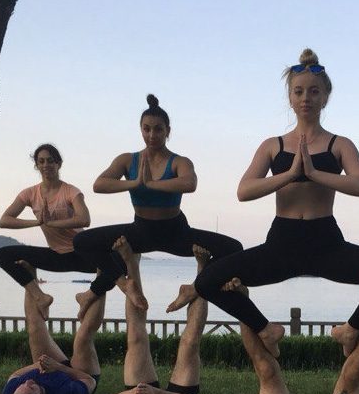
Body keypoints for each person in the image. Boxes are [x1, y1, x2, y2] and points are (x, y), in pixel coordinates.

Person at [186, 48, 359, 358]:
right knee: (207, 280)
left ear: (325, 97)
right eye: (299, 91)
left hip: (326, 243)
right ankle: (266, 329)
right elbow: (244, 191)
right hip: (281, 244)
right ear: (290, 98)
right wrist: (290, 174)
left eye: (314, 91)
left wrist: (315, 173)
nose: (306, 98)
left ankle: (352, 329)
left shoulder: (338, 144)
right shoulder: (273, 145)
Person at [73, 94, 242, 320]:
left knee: (234, 248)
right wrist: (134, 183)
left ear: (168, 131)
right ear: (140, 129)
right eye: (146, 129)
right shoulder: (127, 160)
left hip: (175, 232)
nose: (152, 135)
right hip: (140, 231)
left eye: (158, 129)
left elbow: (189, 183)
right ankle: (120, 285)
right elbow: (99, 185)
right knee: (82, 242)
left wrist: (152, 183)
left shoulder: (179, 161)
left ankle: (193, 288)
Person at [93, 237, 204, 394]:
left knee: (136, 336)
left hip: (139, 388)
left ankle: (132, 261)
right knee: (189, 344)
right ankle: (203, 272)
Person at [0, 143, 95, 319]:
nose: (45, 165)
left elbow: (84, 219)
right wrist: (37, 222)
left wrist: (52, 223)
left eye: (50, 161)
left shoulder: (71, 191)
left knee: (120, 266)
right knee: (3, 254)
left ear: (59, 164)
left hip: (80, 255)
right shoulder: (29, 193)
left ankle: (88, 296)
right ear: (36, 165)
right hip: (55, 256)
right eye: (41, 161)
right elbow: (5, 221)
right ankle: (40, 297)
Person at [3, 286, 102, 394]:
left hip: (52, 366)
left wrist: (37, 365)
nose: (29, 382)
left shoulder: (11, 393)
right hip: (81, 376)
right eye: (32, 388)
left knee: (34, 329)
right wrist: (59, 367)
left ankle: (28, 271)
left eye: (23, 384)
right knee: (83, 338)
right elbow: (90, 381)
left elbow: (15, 375)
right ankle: (103, 277)